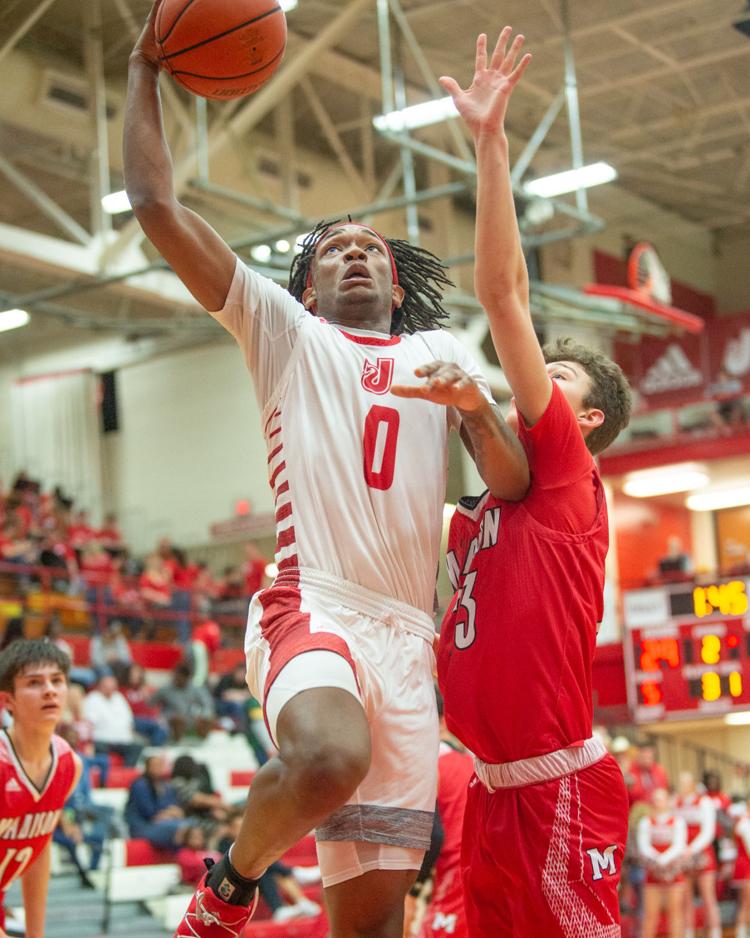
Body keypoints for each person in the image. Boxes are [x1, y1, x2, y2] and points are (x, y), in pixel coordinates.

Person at [123, 5, 529, 936]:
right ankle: (228, 888)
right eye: (335, 249)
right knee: (326, 758)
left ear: (395, 284)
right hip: (315, 604)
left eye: (372, 251)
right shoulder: (286, 334)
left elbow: (508, 485)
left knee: (373, 923)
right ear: (306, 285)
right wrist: (146, 68)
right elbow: (156, 206)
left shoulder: (443, 347)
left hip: (407, 634)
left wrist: (474, 405)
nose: (356, 255)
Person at [430, 29, 633, 935]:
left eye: (559, 381)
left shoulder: (566, 482)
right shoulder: (492, 510)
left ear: (581, 422)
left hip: (559, 783)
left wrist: (490, 141)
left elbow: (503, 295)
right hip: (489, 788)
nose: (538, 383)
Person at [0, 639, 82, 937]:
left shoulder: (69, 764)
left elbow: (39, 846)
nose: (49, 689)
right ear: (8, 701)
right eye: (34, 683)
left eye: (57, 680)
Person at [415, 689, 474, 938]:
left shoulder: (429, 766)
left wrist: (413, 889)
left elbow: (433, 836)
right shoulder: (472, 762)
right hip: (477, 878)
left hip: (452, 880)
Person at [675, 771, 720, 938]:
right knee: (686, 900)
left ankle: (715, 932)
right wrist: (681, 850)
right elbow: (676, 829)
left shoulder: (705, 802)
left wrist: (691, 849)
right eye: (681, 782)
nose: (683, 786)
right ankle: (689, 933)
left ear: (693, 784)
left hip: (702, 855)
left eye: (686, 782)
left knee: (708, 897)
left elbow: (708, 831)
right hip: (683, 855)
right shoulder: (676, 802)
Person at [637, 789, 687, 938]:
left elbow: (679, 844)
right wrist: (658, 860)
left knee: (676, 912)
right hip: (653, 872)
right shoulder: (645, 822)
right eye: (655, 799)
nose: (658, 802)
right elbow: (643, 846)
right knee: (651, 914)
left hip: (674, 872)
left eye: (661, 799)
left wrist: (664, 860)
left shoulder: (677, 821)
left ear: (667, 800)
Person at [125, 753, 191, 850]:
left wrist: (170, 814)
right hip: (143, 827)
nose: (159, 768)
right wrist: (168, 814)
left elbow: (176, 809)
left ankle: (204, 860)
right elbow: (150, 813)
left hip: (166, 822)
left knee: (194, 825)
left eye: (161, 765)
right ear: (147, 767)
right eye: (155, 765)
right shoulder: (140, 785)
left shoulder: (167, 786)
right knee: (180, 829)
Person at [734, 797, 750, 938]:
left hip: (745, 868)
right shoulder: (745, 823)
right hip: (746, 869)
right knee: (746, 903)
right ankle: (741, 933)